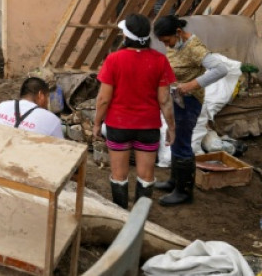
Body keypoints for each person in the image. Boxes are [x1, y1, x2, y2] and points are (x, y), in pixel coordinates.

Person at [93, 14, 177, 209]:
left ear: (126, 36)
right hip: (148, 127)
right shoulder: (160, 60)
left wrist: (97, 123)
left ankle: (121, 215)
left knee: (119, 175)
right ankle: (141, 217)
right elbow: (165, 100)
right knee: (146, 176)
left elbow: (103, 99)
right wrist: (171, 127)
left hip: (118, 126)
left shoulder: (113, 60)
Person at [153, 15, 229, 206]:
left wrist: (191, 85)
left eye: (167, 41)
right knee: (176, 138)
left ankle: (184, 192)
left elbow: (221, 69)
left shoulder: (194, 48)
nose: (167, 46)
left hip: (189, 102)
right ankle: (174, 181)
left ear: (178, 32)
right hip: (177, 99)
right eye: (163, 42)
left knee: (182, 143)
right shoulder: (176, 44)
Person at [0, 78, 64, 138]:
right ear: (40, 95)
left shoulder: (2, 106)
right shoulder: (52, 120)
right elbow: (61, 147)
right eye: (47, 96)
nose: (47, 101)